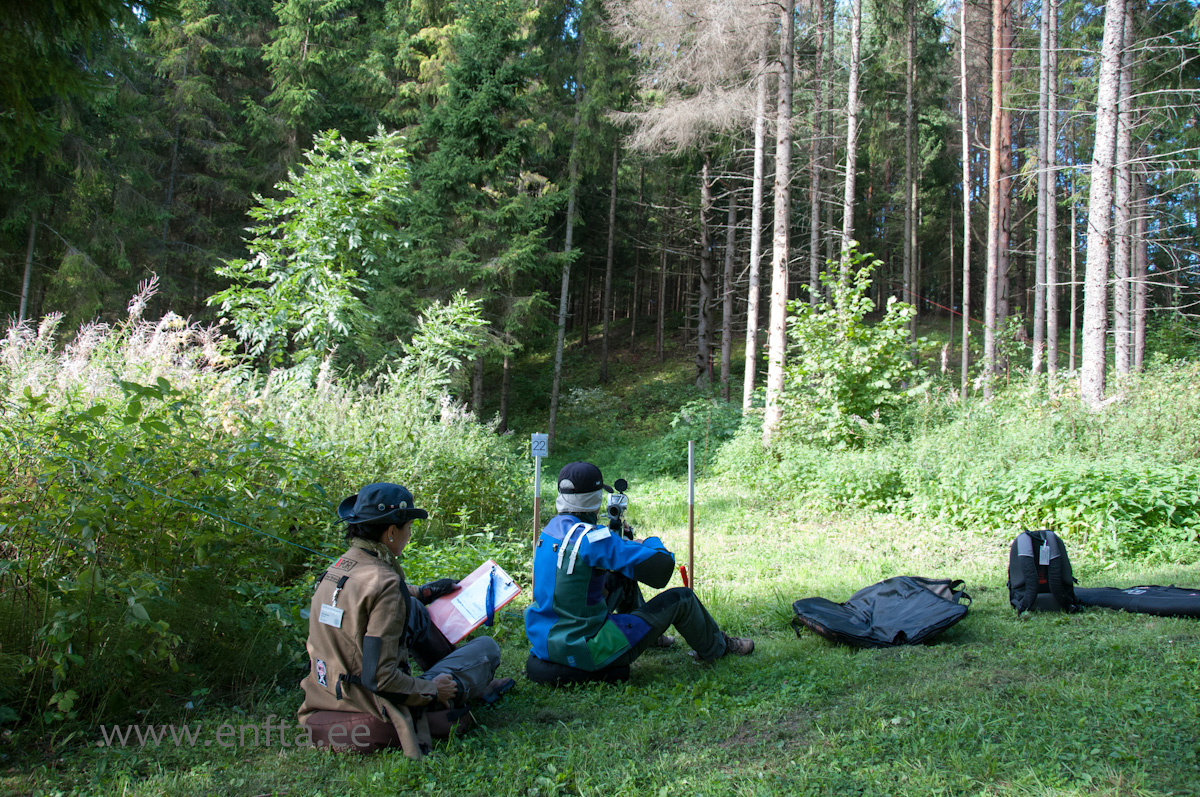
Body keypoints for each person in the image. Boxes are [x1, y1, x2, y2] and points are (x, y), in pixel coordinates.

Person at [298, 482, 513, 757]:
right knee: (487, 649)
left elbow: (371, 596)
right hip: (369, 697)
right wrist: (431, 689)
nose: (409, 535)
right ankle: (455, 690)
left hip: (331, 687)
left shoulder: (340, 567)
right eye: (408, 528)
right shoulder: (385, 583)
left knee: (414, 607)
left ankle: (447, 681)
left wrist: (423, 593)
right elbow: (380, 678)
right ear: (390, 532)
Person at [524, 462, 753, 682]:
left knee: (619, 576)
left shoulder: (549, 530)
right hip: (588, 648)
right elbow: (660, 569)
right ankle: (717, 649)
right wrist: (649, 542)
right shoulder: (594, 540)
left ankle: (650, 639)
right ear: (595, 500)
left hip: (548, 642)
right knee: (683, 598)